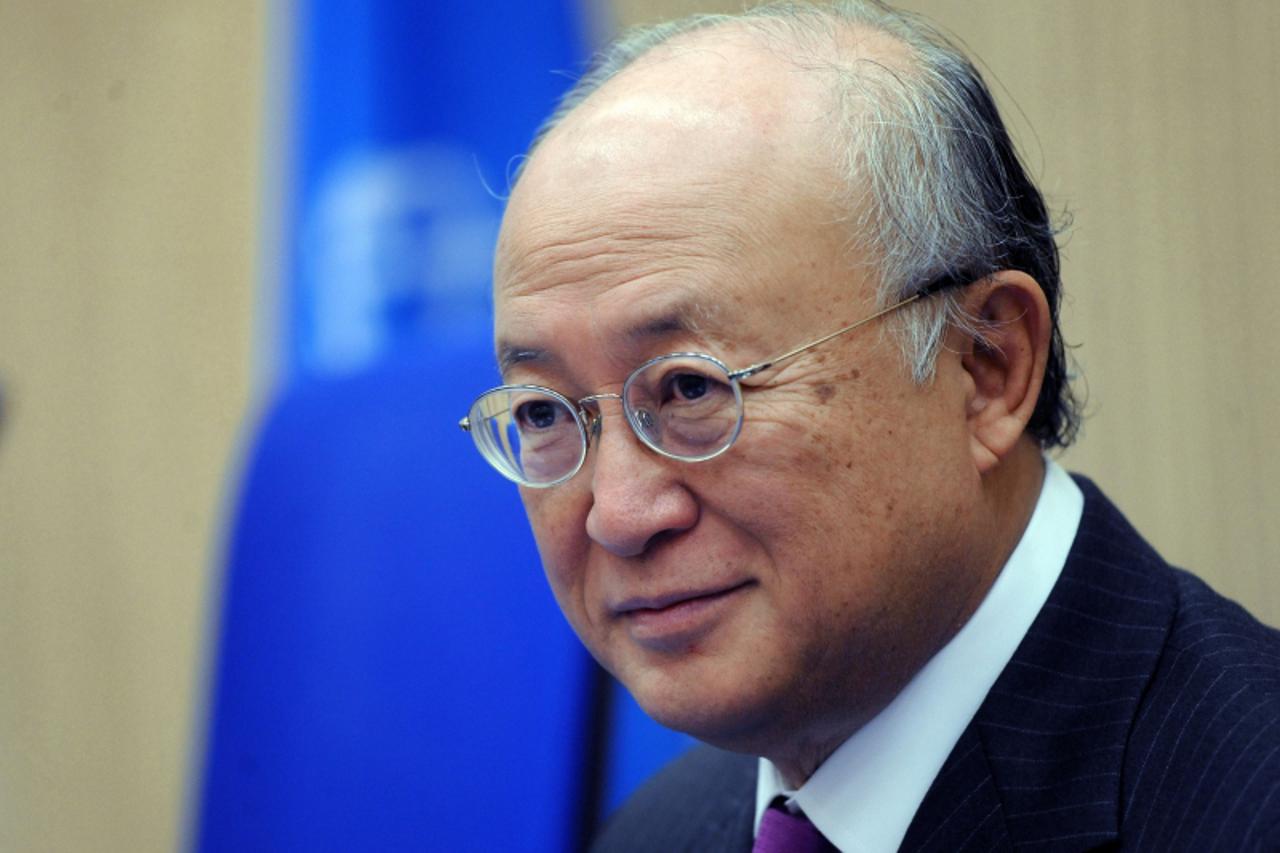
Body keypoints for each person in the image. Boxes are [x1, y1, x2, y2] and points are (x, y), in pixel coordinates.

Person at [459, 2, 1280, 850]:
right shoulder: (653, 833)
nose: (618, 515)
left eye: (691, 389)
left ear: (985, 366)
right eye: (543, 411)